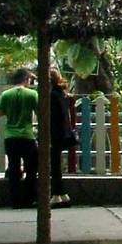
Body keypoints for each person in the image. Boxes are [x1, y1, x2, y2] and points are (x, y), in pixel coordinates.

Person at [0, 68, 39, 208]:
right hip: (27, 136)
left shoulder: (6, 94)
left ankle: (15, 201)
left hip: (11, 136)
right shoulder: (32, 94)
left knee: (14, 168)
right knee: (31, 168)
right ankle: (29, 198)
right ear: (26, 79)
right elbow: (40, 111)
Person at [48, 68, 76, 209]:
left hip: (54, 134)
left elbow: (53, 117)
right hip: (63, 133)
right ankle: (62, 194)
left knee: (54, 165)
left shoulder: (52, 96)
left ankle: (56, 194)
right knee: (56, 164)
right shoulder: (62, 94)